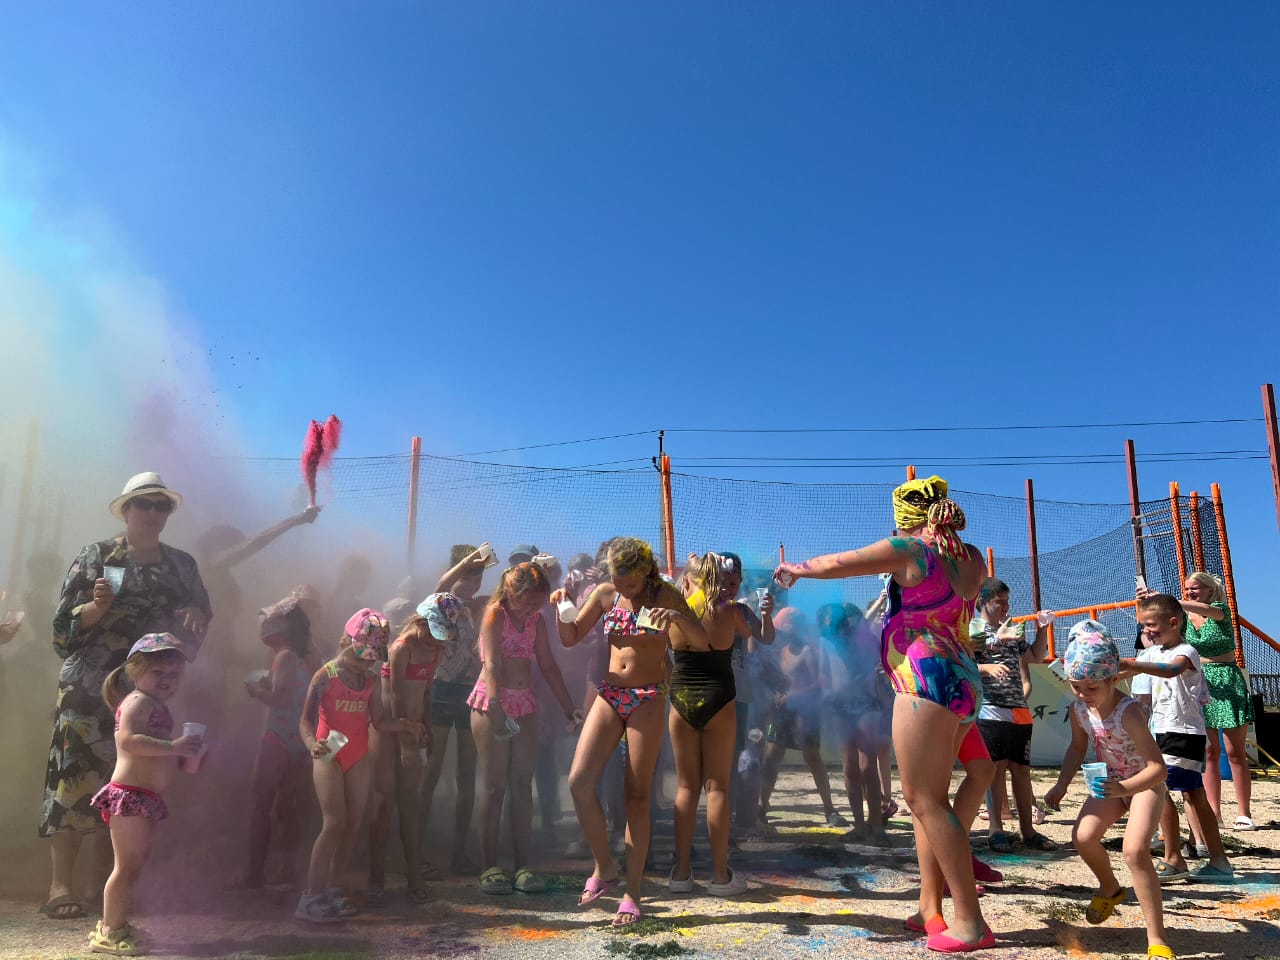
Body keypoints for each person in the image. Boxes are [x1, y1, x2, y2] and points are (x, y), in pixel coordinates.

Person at [776, 476, 992, 952]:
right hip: (962, 677)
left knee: (924, 800)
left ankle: (970, 922)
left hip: (924, 678)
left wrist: (795, 569)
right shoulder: (970, 556)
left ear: (904, 518)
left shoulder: (911, 550)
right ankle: (929, 907)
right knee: (927, 801)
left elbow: (841, 562)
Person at [43, 473, 211, 922]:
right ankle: (60, 884)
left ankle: (107, 886)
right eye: (144, 504)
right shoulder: (97, 556)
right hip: (88, 686)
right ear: (126, 510)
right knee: (73, 780)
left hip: (145, 692)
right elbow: (61, 631)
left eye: (161, 506)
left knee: (128, 783)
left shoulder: (182, 566)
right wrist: (95, 609)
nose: (153, 513)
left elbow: (198, 626)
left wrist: (194, 619)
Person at [552, 537, 706, 926]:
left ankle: (633, 891)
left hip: (649, 697)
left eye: (631, 584)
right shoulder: (606, 593)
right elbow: (569, 638)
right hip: (610, 693)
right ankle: (605, 867)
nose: (624, 590)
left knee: (636, 796)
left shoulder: (665, 594)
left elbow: (702, 642)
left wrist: (678, 619)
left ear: (646, 573)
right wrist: (560, 607)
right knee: (579, 782)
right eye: (619, 583)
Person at [1043, 623, 1173, 960]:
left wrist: (1125, 788)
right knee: (1083, 837)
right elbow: (1077, 748)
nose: (1083, 694)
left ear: (1113, 679)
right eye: (1076, 687)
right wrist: (1061, 785)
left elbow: (1158, 769)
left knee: (1135, 851)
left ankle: (1157, 938)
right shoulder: (1078, 709)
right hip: (1111, 783)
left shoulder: (1129, 712)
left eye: (1092, 687)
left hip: (1143, 784)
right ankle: (1110, 888)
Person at [294, 610, 426, 923]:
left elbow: (378, 721)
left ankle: (336, 889)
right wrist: (312, 745)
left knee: (354, 824)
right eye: (362, 655)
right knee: (334, 823)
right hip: (328, 753)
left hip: (357, 753)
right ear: (346, 642)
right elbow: (305, 721)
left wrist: (405, 725)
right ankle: (311, 896)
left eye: (372, 657)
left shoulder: (370, 680)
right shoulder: (325, 675)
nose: (366, 662)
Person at [469, 563, 582, 894]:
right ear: (512, 593)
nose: (533, 608)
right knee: (494, 786)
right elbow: (492, 662)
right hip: (492, 701)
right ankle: (489, 866)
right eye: (528, 601)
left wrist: (569, 707)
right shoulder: (495, 615)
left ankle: (522, 866)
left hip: (524, 704)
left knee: (521, 785)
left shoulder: (536, 620)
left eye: (537, 602)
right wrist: (495, 705)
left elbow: (547, 665)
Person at [89, 633, 205, 956]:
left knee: (133, 866)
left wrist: (186, 756)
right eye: (158, 672)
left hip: (144, 798)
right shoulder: (138, 701)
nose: (167, 680)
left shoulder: (157, 707)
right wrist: (174, 746)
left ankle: (117, 923)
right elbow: (128, 741)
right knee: (125, 867)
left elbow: (156, 753)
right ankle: (109, 932)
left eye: (174, 674)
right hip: (129, 796)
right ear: (135, 670)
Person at [1123, 593, 1234, 883]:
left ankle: (1174, 857)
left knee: (1159, 788)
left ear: (1173, 623)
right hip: (1164, 732)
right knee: (1194, 794)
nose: (1147, 631)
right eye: (1144, 625)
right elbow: (1138, 690)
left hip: (1183, 733)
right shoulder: (1150, 655)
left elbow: (1171, 670)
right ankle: (1218, 861)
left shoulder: (1186, 651)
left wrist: (1132, 665)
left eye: (1151, 625)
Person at [667, 552, 754, 896]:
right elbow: (754, 635)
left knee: (686, 788)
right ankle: (720, 876)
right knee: (717, 788)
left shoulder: (674, 612)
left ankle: (681, 873)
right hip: (721, 699)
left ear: (688, 580)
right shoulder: (729, 611)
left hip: (681, 699)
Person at [1155, 572, 1254, 832]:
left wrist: (1172, 601)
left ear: (1210, 590)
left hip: (1227, 680)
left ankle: (1244, 813)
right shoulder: (1183, 618)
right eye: (1187, 589)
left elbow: (1210, 612)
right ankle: (1214, 812)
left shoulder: (1220, 609)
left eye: (1195, 588)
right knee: (1209, 751)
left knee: (1235, 752)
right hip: (1199, 682)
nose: (1190, 592)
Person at [232, 593, 314, 892]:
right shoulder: (302, 655)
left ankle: (254, 875)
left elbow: (280, 700)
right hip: (298, 740)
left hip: (278, 738)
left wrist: (256, 691)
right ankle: (287, 870)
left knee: (261, 804)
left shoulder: (285, 656)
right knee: (285, 807)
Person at [968, 579, 1055, 854]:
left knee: (1021, 771)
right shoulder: (974, 628)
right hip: (990, 708)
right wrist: (988, 665)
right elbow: (965, 659)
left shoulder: (1011, 628)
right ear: (983, 602)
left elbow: (1035, 656)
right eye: (1000, 601)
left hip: (1018, 709)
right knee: (995, 770)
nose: (1006, 606)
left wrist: (1042, 629)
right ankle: (996, 830)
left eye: (1007, 601)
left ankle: (1028, 831)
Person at [385, 594, 461, 904]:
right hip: (392, 731)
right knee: (384, 803)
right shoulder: (401, 648)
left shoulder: (436, 650)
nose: (436, 641)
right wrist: (405, 733)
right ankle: (381, 874)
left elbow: (427, 693)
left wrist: (427, 729)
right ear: (422, 621)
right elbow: (395, 696)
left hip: (414, 730)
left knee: (410, 803)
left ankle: (413, 872)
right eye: (434, 632)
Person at [421, 544, 489, 875]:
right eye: (468, 576)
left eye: (477, 576)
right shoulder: (444, 602)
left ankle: (458, 854)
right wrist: (465, 563)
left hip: (468, 694)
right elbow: (440, 588)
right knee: (431, 771)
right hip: (441, 690)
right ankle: (414, 852)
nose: (473, 582)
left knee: (466, 774)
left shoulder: (478, 607)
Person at [759, 608, 846, 828]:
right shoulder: (779, 652)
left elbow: (819, 683)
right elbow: (774, 679)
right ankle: (762, 806)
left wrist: (793, 696)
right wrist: (774, 695)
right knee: (772, 757)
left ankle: (830, 809)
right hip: (783, 712)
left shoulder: (808, 650)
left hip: (806, 711)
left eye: (786, 628)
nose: (783, 633)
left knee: (812, 756)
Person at [820, 603, 893, 846]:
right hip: (839, 709)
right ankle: (859, 827)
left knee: (868, 767)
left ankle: (876, 826)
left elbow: (876, 672)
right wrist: (828, 694)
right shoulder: (828, 644)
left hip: (866, 706)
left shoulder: (866, 642)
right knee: (850, 768)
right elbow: (824, 677)